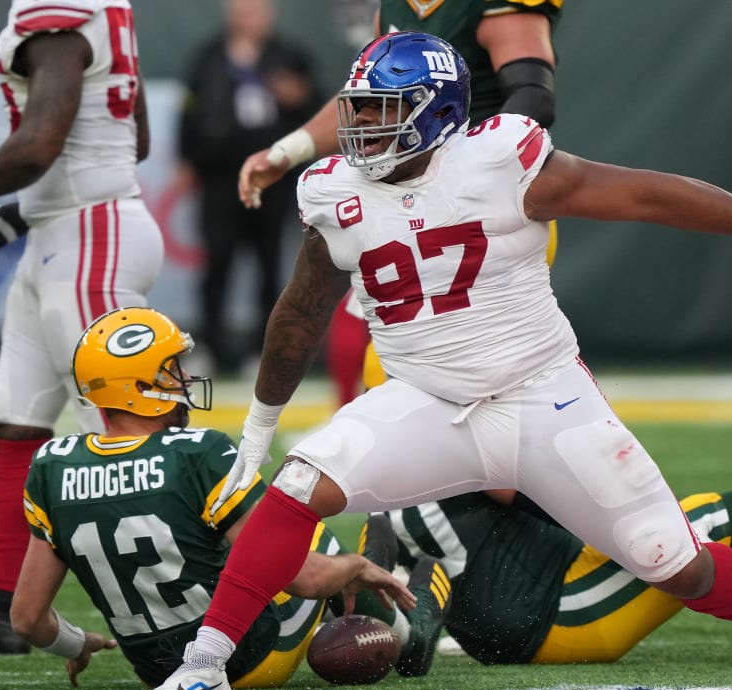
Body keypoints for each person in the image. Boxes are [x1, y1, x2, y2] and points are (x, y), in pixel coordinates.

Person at [126, 31, 732, 690]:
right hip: (424, 400)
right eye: (359, 110)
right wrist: (258, 430)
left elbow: (643, 194)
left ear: (437, 114)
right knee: (296, 486)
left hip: (541, 396)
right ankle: (204, 668)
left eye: (384, 112)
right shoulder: (336, 193)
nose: (363, 129)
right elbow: (299, 313)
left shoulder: (498, 162)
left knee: (667, 560)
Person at [0, 0, 164, 657]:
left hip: (90, 234)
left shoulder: (60, 11)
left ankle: (206, 599)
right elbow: (132, 138)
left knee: (124, 426)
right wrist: (24, 212)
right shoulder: (104, 9)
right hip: (66, 230)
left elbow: (41, 141)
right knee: (18, 414)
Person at [8, 307, 433, 690]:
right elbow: (304, 577)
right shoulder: (196, 453)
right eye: (171, 370)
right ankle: (410, 637)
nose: (184, 380)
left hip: (156, 672)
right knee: (297, 528)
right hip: (247, 654)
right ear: (139, 387)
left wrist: (80, 643)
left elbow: (26, 617)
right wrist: (354, 567)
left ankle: (373, 595)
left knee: (250, 540)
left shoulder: (51, 465)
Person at [236, 0, 564, 404]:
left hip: (488, 212)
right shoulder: (394, 5)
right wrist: (287, 150)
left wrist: (473, 175)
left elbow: (534, 97)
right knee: (386, 351)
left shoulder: (493, 6)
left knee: (483, 371)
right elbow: (370, 99)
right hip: (414, 201)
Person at [363, 488, 732, 665]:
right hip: (560, 613)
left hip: (538, 605)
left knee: (678, 520)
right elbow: (600, 510)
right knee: (715, 515)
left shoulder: (387, 504)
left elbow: (404, 647)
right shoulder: (460, 459)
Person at [177, 0, 320, 376]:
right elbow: (188, 110)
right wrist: (188, 159)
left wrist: (298, 97)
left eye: (254, 11)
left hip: (273, 179)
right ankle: (208, 346)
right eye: (240, 11)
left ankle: (263, 351)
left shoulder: (289, 56)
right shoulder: (209, 55)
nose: (247, 19)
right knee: (217, 265)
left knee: (270, 266)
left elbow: (319, 112)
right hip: (220, 178)